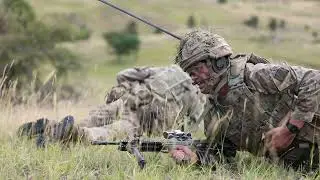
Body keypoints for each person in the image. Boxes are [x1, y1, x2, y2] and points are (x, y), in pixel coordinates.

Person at [170, 29, 320, 171]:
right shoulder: (213, 113)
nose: (192, 79)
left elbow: (314, 80)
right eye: (188, 73)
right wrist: (192, 158)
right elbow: (221, 153)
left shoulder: (256, 76)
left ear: (217, 62)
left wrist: (289, 130)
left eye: (195, 70)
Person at [17, 65, 209, 146]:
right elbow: (192, 128)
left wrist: (124, 87)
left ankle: (52, 129)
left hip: (133, 100)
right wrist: (173, 135)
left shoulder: (168, 69)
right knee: (115, 130)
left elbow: (125, 74)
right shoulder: (199, 92)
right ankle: (68, 133)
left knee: (97, 119)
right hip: (150, 117)